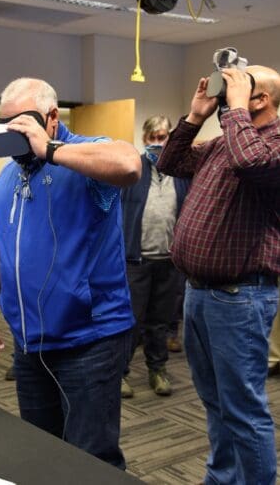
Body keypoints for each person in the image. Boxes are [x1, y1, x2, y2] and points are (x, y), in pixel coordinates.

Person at [0, 77, 141, 469]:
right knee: (41, 452)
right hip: (30, 345)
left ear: (51, 118)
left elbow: (129, 165)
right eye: (5, 123)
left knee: (90, 460)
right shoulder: (9, 175)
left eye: (22, 123)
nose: (12, 133)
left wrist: (50, 150)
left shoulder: (84, 155)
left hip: (88, 340)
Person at [157, 65, 280, 484]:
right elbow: (171, 162)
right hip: (198, 293)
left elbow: (254, 163)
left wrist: (235, 110)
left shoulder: (272, 144)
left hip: (240, 298)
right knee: (215, 403)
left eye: (235, 87)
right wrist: (195, 117)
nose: (224, 93)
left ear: (259, 99)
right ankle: (222, 479)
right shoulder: (223, 143)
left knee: (244, 411)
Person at [121, 116, 189, 398]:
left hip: (169, 261)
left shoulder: (181, 173)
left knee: (160, 322)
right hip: (136, 259)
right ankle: (121, 373)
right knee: (131, 321)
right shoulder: (131, 170)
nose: (158, 143)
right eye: (153, 138)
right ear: (144, 139)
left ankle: (157, 370)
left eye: (163, 138)